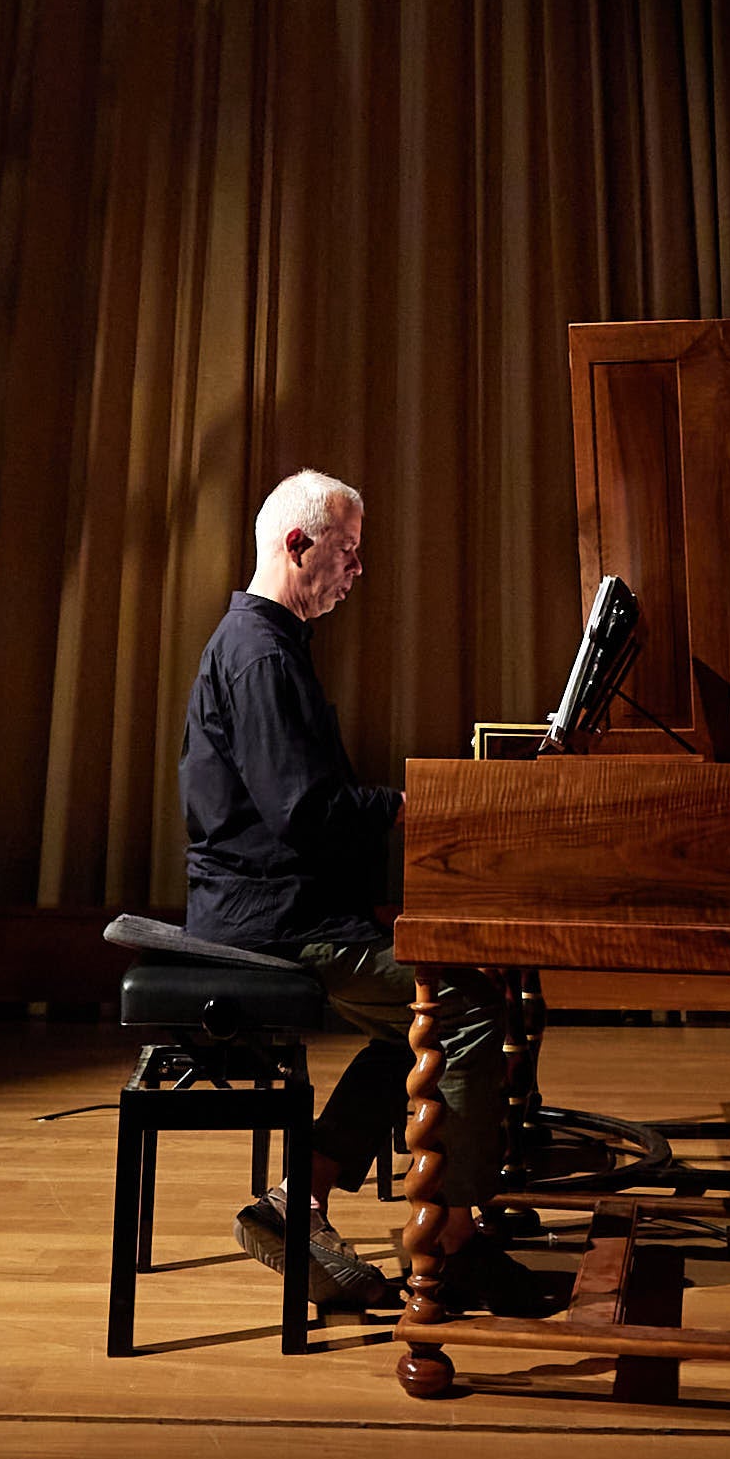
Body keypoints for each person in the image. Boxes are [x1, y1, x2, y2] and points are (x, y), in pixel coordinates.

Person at [181, 468, 551, 1314]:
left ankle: (299, 1194)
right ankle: (454, 1238)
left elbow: (293, 814)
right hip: (271, 920)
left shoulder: (266, 644)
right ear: (298, 544)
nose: (357, 569)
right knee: (464, 1008)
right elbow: (304, 811)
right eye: (347, 550)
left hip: (279, 904)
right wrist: (408, 805)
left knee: (415, 1022)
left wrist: (376, 899)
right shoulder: (260, 652)